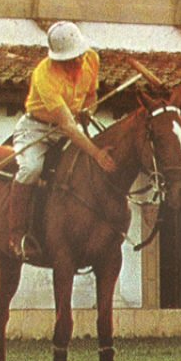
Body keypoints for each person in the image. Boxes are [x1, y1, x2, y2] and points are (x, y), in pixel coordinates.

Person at [8, 21, 116, 261]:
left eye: (79, 55)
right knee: (31, 169)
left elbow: (91, 95)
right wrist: (97, 153)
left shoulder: (91, 59)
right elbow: (66, 125)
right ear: (58, 59)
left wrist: (88, 111)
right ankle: (17, 234)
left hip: (70, 125)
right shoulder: (44, 75)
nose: (78, 62)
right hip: (37, 129)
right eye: (70, 59)